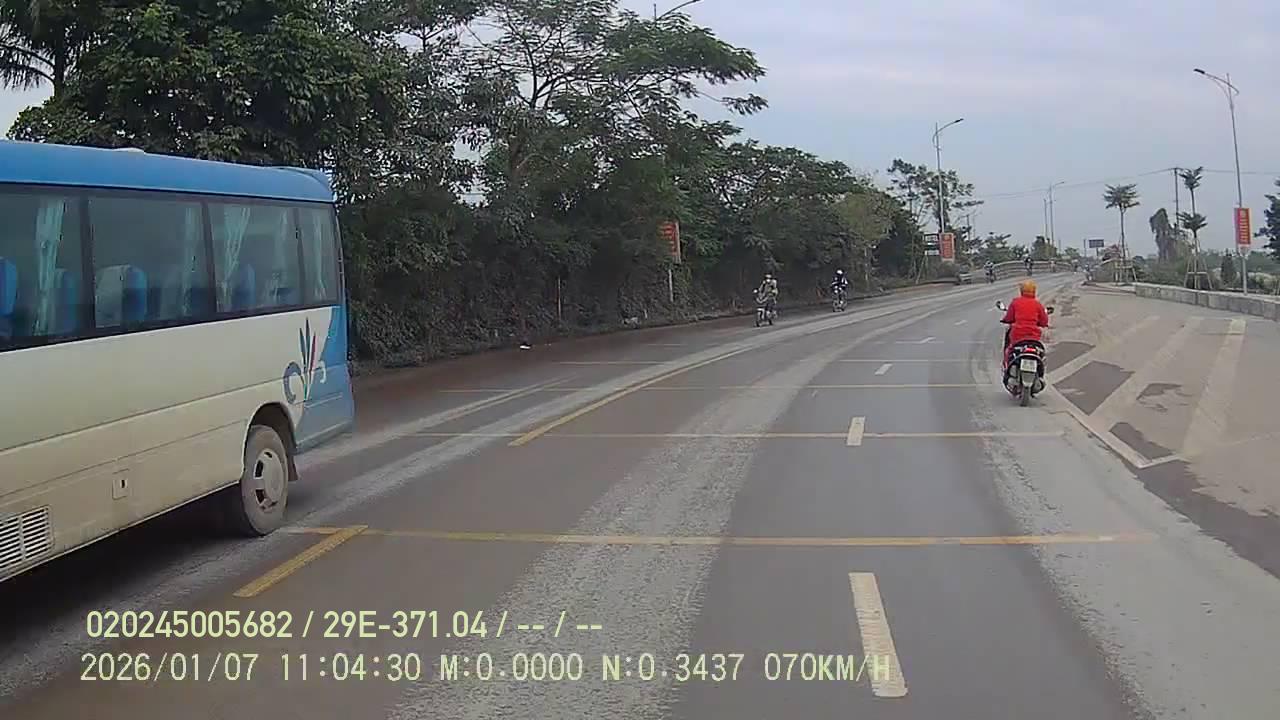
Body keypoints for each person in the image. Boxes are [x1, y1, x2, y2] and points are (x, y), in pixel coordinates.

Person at [1001, 279, 1050, 372]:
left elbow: (1009, 317)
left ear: (1022, 291)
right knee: (1040, 353)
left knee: (1009, 351)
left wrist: (1005, 320)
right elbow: (1044, 321)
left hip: (1017, 335)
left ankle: (1006, 368)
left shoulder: (1015, 302)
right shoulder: (1037, 304)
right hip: (1034, 336)